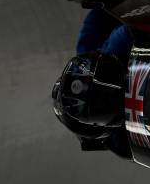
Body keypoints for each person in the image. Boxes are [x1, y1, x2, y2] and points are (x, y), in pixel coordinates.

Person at [51, 9, 133, 158]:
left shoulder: (118, 42)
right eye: (104, 104)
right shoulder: (119, 143)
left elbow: (98, 17)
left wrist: (109, 7)